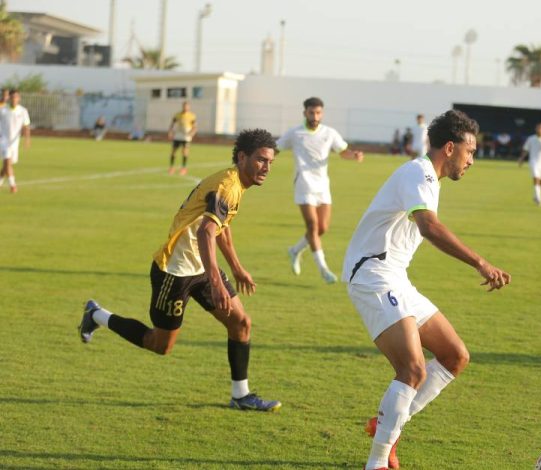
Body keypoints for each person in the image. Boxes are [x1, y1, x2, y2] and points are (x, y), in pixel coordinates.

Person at [342, 109, 511, 470]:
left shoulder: (428, 179)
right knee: (413, 369)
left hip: (394, 277)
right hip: (373, 273)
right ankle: (376, 463)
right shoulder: (418, 173)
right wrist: (481, 262)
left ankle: (386, 425)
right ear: (450, 148)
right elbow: (429, 227)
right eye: (470, 152)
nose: (472, 160)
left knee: (454, 356)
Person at [78, 129, 282, 411]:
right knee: (159, 345)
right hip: (173, 271)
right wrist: (217, 281)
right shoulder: (228, 185)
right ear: (242, 157)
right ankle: (96, 315)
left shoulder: (235, 184)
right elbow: (206, 233)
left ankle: (240, 395)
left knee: (241, 323)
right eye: (261, 160)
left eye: (270, 162)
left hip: (199, 266)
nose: (266, 168)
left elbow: (222, 228)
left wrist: (237, 268)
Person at [277, 97, 364, 283]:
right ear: (304, 113)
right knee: (313, 227)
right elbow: (275, 148)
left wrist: (354, 155)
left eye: (318, 113)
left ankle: (295, 250)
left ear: (322, 113)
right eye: (311, 112)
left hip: (323, 186)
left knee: (322, 228)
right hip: (303, 185)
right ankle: (323, 269)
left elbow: (343, 151)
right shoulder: (295, 133)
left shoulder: (329, 133)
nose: (315, 116)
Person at [0, 90, 32, 194]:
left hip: (15, 141)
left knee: (7, 165)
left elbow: (26, 125)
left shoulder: (23, 111)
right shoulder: (3, 110)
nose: (14, 99)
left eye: (16, 97)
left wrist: (27, 139)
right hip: (3, 139)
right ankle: (13, 185)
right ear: (9, 98)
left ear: (19, 98)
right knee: (7, 162)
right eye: (12, 97)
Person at [520, 122, 541, 207]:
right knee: (536, 178)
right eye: (539, 128)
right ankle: (539, 198)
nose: (540, 130)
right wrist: (521, 158)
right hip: (534, 161)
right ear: (536, 129)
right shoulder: (531, 138)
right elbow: (526, 149)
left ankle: (536, 195)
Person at [167, 101, 197, 175]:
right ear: (182, 106)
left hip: (186, 136)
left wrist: (192, 133)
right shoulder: (177, 115)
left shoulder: (192, 116)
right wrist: (170, 132)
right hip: (178, 135)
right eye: (184, 106)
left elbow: (195, 127)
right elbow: (172, 124)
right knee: (173, 151)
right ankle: (171, 167)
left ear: (189, 107)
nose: (185, 108)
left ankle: (183, 168)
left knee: (185, 152)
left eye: (186, 106)